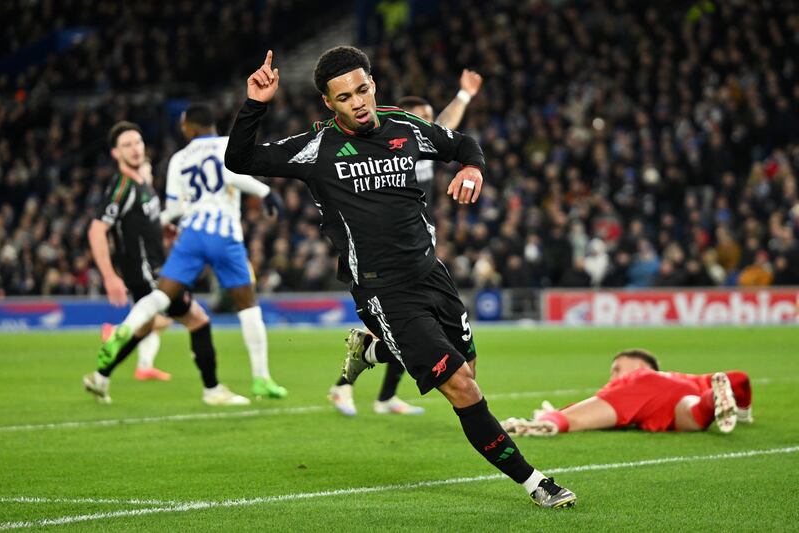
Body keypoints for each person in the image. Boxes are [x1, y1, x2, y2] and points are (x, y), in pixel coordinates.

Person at [224, 46, 576, 509]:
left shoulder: (404, 126)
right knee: (462, 387)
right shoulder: (315, 147)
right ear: (329, 104)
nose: (359, 102)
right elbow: (239, 159)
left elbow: (462, 143)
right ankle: (535, 483)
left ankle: (370, 348)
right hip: (382, 289)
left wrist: (472, 167)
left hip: (433, 274)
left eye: (363, 89)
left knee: (469, 371)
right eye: (345, 97)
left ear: (373, 84)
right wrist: (256, 104)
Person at [95, 105, 288, 400]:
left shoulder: (179, 158)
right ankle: (261, 379)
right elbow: (234, 177)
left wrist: (157, 222)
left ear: (189, 127)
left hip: (192, 234)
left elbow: (172, 209)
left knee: (160, 296)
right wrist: (265, 192)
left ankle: (127, 327)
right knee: (248, 307)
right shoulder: (227, 145)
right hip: (224, 234)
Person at [327, 70, 483, 417]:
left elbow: (447, 126)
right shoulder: (388, 147)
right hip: (377, 262)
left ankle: (384, 396)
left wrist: (464, 96)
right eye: (423, 118)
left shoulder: (420, 148)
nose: (430, 124)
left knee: (417, 334)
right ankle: (342, 386)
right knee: (401, 334)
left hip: (414, 254)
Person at [500, 349, 752, 437]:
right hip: (685, 395)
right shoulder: (684, 378)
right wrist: (744, 409)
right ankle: (716, 399)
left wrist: (555, 414)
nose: (612, 377)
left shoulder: (634, 381)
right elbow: (741, 378)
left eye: (617, 368)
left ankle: (543, 424)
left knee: (573, 419)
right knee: (695, 412)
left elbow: (589, 409)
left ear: (641, 366)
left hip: (641, 395)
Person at [90, 154, 172, 382]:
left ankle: (140, 367)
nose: (150, 176)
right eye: (147, 171)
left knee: (151, 321)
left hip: (149, 264)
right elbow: (103, 228)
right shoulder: (130, 191)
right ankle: (117, 331)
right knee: (161, 316)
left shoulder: (148, 196)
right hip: (142, 267)